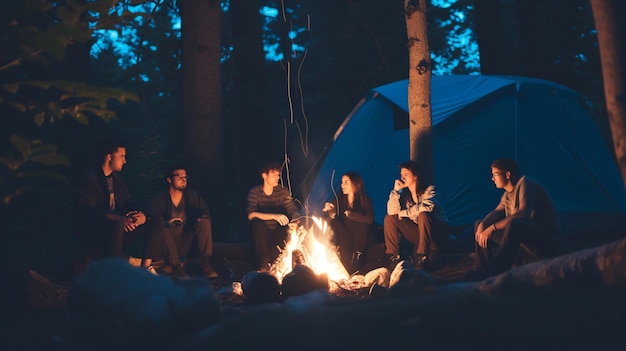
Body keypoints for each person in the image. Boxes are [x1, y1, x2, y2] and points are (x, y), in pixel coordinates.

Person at [74, 137, 165, 273]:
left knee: (156, 221)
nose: (125, 160)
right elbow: (87, 209)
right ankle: (115, 271)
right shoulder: (89, 177)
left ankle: (146, 267)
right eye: (122, 156)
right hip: (97, 229)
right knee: (116, 225)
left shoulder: (117, 180)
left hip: (119, 227)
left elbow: (129, 202)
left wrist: (141, 215)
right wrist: (117, 219)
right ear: (109, 157)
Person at [474, 158, 562, 277]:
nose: (492, 178)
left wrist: (493, 228)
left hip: (545, 242)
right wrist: (483, 225)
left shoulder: (526, 183)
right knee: (480, 224)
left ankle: (497, 271)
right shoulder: (507, 195)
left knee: (515, 224)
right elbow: (496, 212)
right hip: (525, 243)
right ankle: (483, 271)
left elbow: (523, 214)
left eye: (495, 174)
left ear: (507, 174)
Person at [147, 164, 218, 279]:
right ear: (169, 179)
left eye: (185, 176)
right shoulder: (159, 198)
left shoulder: (192, 196)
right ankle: (177, 268)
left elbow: (205, 212)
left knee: (204, 222)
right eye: (179, 176)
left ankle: (206, 264)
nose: (183, 179)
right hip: (167, 242)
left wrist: (202, 218)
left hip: (186, 240)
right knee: (162, 228)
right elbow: (152, 218)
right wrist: (167, 223)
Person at [383, 160, 449, 270]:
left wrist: (404, 213)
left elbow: (428, 206)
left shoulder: (430, 190)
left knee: (423, 215)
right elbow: (392, 212)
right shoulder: (404, 195)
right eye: (401, 175)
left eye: (406, 175)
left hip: (436, 234)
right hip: (419, 235)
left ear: (415, 176)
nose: (402, 178)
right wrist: (396, 192)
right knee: (389, 218)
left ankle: (422, 257)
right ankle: (393, 257)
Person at [246, 162, 301, 271]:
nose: (277, 178)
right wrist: (273, 216)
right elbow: (251, 214)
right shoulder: (255, 192)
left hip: (278, 233)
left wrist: (295, 221)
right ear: (264, 175)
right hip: (262, 235)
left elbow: (292, 210)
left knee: (289, 228)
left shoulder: (282, 191)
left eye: (278, 175)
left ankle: (284, 265)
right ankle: (263, 263)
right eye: (274, 175)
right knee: (258, 224)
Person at [322, 171, 374, 274]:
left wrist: (352, 215)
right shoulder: (340, 198)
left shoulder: (364, 200)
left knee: (359, 222)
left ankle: (357, 255)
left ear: (355, 184)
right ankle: (332, 249)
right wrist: (330, 210)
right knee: (333, 221)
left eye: (346, 182)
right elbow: (333, 213)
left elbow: (369, 219)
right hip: (344, 237)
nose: (342, 185)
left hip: (358, 239)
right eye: (342, 182)